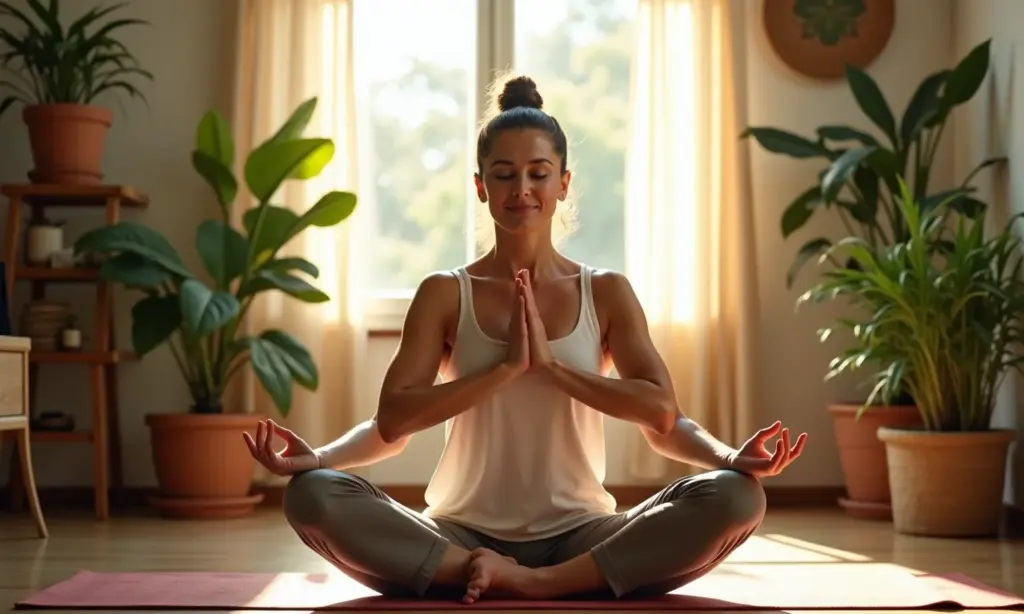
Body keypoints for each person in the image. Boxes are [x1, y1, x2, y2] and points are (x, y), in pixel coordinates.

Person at [243, 74, 807, 605]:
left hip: (583, 532)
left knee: (738, 496)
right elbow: (391, 424)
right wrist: (502, 371)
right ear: (480, 186)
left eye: (539, 173)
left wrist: (727, 455)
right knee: (312, 494)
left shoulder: (605, 290)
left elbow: (663, 417)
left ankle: (532, 581)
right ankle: (502, 572)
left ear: (563, 183)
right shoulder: (445, 292)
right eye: (503, 174)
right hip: (458, 531)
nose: (522, 190)